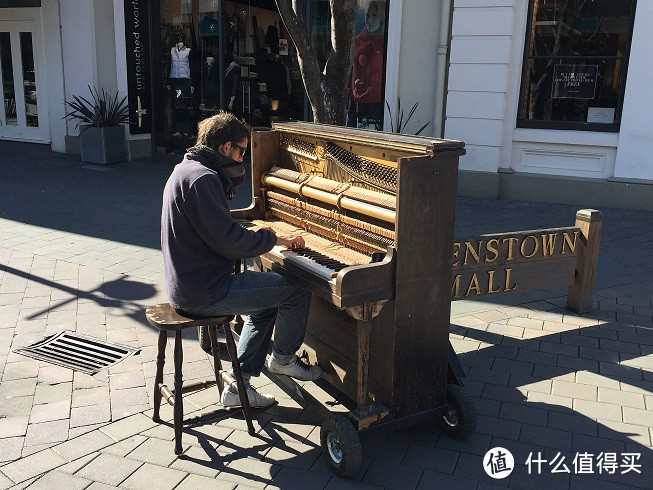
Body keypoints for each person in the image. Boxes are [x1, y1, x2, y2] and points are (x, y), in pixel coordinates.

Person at [161, 112, 322, 409]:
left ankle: (240, 386)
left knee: (265, 304)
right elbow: (228, 241)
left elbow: (219, 232)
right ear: (225, 147)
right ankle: (284, 360)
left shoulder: (186, 169)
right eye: (241, 151)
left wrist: (259, 234)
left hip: (188, 284)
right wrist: (271, 238)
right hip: (203, 292)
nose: (242, 158)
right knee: (297, 288)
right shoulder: (204, 179)